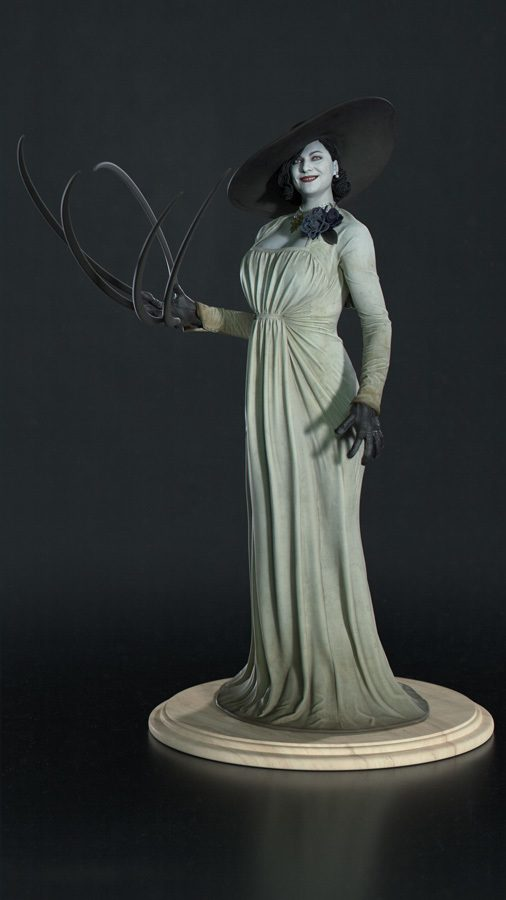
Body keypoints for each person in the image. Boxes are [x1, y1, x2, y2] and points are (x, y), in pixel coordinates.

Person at [161, 98, 429, 731]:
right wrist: (202, 316)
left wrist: (369, 398)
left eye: (317, 156)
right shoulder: (269, 233)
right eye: (297, 160)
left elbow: (377, 322)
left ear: (336, 167)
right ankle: (282, 668)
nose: (306, 165)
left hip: (324, 392)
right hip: (268, 388)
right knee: (278, 520)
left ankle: (335, 674)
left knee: (323, 527)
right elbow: (265, 321)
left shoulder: (351, 235)